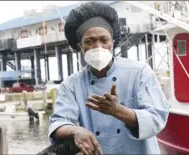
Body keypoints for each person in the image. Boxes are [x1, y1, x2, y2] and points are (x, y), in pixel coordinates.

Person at [48, 2, 170, 155]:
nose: (97, 47)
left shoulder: (139, 72)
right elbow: (58, 123)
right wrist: (75, 130)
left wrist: (118, 111)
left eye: (103, 40)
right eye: (89, 41)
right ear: (80, 47)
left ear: (113, 43)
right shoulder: (71, 85)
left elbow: (157, 118)